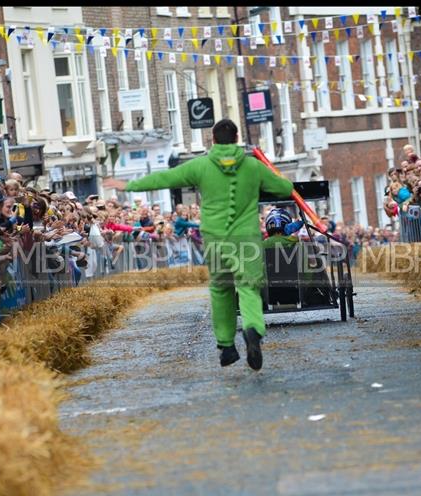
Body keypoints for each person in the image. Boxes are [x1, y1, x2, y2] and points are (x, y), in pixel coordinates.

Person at [124, 119, 294, 371]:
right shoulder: (253, 166)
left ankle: (226, 346)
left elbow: (166, 178)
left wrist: (129, 185)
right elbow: (284, 188)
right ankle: (253, 329)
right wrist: (273, 180)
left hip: (215, 239)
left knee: (221, 290)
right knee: (248, 287)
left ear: (212, 139)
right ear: (237, 138)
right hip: (246, 238)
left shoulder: (201, 166)